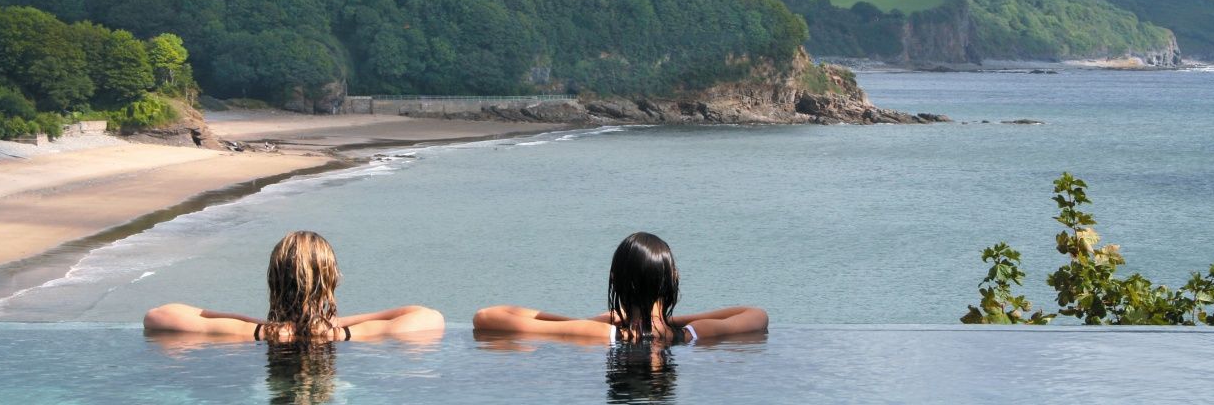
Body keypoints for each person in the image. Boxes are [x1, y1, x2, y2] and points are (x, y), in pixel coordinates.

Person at [144, 231, 444, 341]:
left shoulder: (252, 333)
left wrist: (261, 323)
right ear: (331, 282)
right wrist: (330, 323)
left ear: (273, 279)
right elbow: (429, 315)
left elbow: (158, 315)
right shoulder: (345, 335)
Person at [472, 231, 768, 343]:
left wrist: (589, 320)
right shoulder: (693, 334)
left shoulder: (601, 332)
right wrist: (666, 322)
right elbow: (756, 315)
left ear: (614, 278)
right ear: (673, 280)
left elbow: (486, 317)